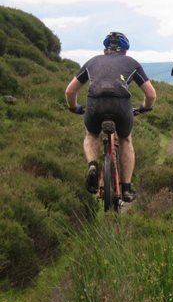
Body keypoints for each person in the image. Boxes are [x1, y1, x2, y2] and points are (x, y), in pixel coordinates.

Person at [64, 31, 157, 202]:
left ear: (105, 49)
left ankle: (92, 164)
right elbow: (151, 95)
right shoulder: (132, 63)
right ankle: (127, 188)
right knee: (125, 140)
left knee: (91, 135)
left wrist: (74, 107)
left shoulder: (91, 62)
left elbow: (70, 90)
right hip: (121, 106)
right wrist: (145, 108)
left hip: (95, 105)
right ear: (125, 51)